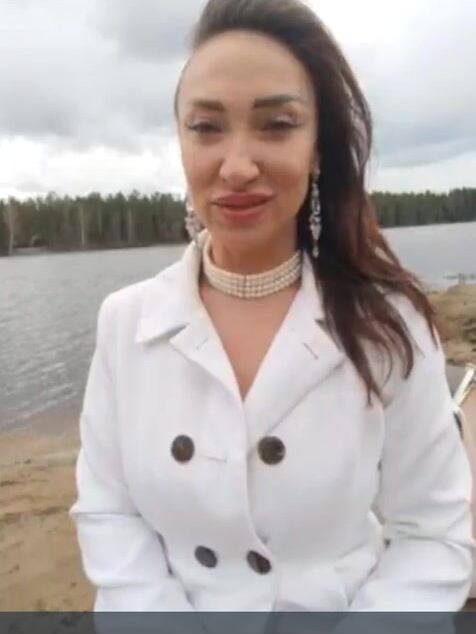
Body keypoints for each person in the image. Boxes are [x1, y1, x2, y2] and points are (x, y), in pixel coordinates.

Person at [69, 0, 474, 613]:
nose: (237, 167)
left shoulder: (390, 325)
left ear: (317, 150)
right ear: (180, 144)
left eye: (277, 124)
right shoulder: (125, 324)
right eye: (206, 127)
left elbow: (434, 535)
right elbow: (109, 514)